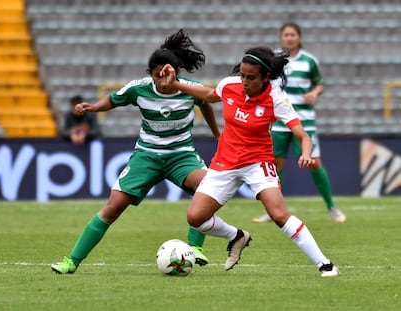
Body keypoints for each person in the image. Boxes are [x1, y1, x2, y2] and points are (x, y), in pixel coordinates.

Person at [160, 46, 340, 277]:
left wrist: (306, 153)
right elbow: (207, 95)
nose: (244, 81)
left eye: (251, 77)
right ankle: (236, 236)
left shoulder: (275, 99)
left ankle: (325, 264)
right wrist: (175, 84)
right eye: (242, 75)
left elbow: (302, 135)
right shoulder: (229, 85)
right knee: (195, 218)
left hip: (258, 163)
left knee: (278, 214)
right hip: (225, 162)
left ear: (266, 77)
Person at [51, 29, 220, 274]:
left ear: (174, 72)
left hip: (181, 155)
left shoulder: (190, 89)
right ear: (150, 74)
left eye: (166, 75)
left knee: (208, 188)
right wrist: (93, 107)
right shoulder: (139, 89)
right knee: (113, 208)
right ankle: (71, 261)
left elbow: (206, 103)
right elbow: (113, 98)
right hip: (147, 155)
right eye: (155, 75)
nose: (161, 81)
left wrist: (216, 133)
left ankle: (195, 247)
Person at [253, 22, 346, 223]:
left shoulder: (309, 61)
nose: (289, 38)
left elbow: (319, 84)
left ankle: (332, 206)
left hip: (303, 120)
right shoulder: (274, 60)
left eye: (293, 34)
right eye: (286, 34)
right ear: (281, 37)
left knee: (314, 163)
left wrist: (314, 92)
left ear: (299, 37)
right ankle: (274, 209)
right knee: (277, 164)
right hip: (278, 121)